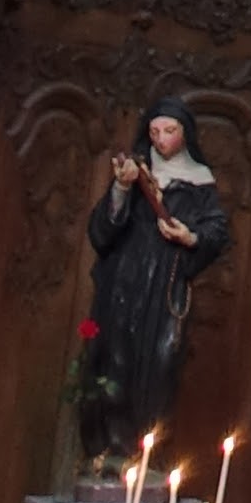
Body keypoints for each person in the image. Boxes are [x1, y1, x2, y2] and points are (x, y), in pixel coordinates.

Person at [80, 99, 229, 462]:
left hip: (165, 290)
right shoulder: (137, 172)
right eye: (154, 132)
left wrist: (190, 237)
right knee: (114, 363)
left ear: (185, 134)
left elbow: (217, 232)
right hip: (123, 285)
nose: (161, 139)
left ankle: (144, 454)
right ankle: (108, 452)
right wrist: (121, 189)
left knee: (160, 367)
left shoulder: (200, 180)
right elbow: (102, 232)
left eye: (169, 131)